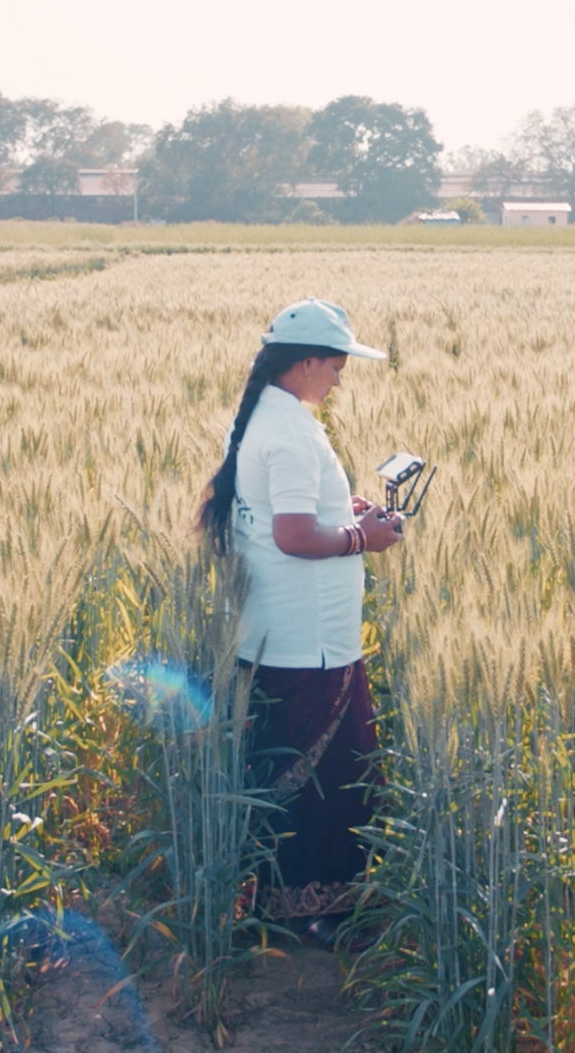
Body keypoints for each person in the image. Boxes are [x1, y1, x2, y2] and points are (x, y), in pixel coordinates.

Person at [196, 298, 405, 947]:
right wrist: (360, 539)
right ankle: (315, 916)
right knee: (325, 785)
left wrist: (345, 511)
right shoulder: (288, 432)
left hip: (282, 634)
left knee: (292, 773)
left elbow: (288, 516)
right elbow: (291, 534)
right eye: (337, 364)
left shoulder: (273, 416)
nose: (341, 376)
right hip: (308, 644)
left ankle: (287, 907)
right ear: (308, 361)